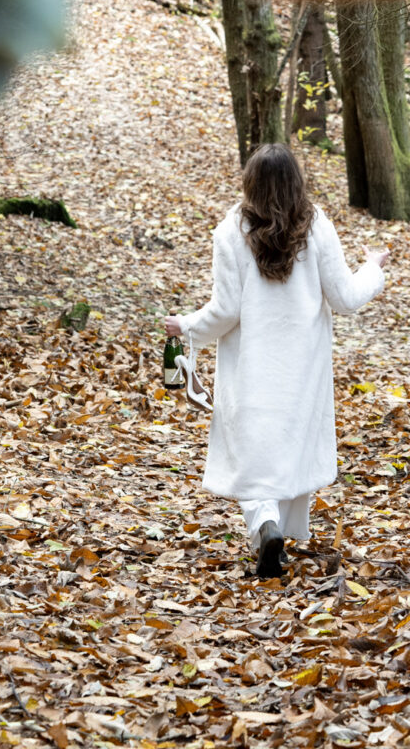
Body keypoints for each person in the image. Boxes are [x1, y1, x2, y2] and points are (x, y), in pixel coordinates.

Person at [164, 143, 389, 578]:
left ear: (250, 183)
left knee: (252, 449)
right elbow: (345, 297)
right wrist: (373, 267)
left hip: (251, 363)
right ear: (295, 182)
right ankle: (273, 533)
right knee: (287, 444)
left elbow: (224, 310)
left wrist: (188, 326)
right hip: (301, 365)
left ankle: (266, 527)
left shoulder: (231, 229)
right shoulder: (317, 225)